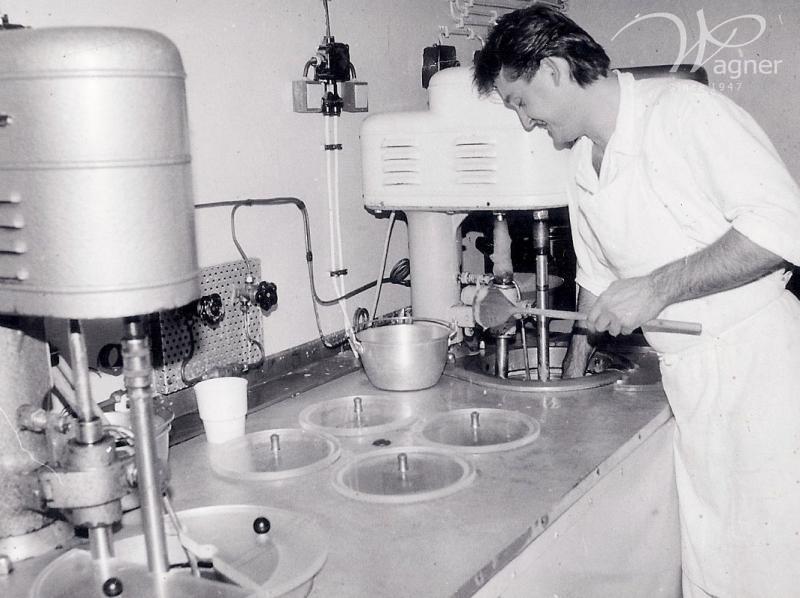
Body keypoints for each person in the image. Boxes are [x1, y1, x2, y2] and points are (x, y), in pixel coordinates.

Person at [474, 6, 800, 598]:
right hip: (690, 382)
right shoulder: (581, 163)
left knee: (773, 571)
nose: (524, 122)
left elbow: (781, 229)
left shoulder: (683, 111)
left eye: (521, 102)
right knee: (715, 570)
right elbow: (595, 286)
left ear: (553, 70)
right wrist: (567, 392)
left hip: (760, 372)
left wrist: (655, 288)